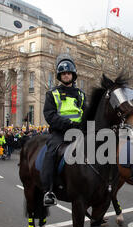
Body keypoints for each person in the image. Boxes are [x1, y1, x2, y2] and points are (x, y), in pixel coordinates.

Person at [41, 54, 86, 206]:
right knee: (51, 152)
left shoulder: (81, 94)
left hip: (79, 132)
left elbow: (85, 113)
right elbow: (50, 115)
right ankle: (48, 190)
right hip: (60, 132)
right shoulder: (52, 94)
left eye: (68, 73)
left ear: (73, 75)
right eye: (63, 73)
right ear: (60, 76)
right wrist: (68, 124)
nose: (66, 75)